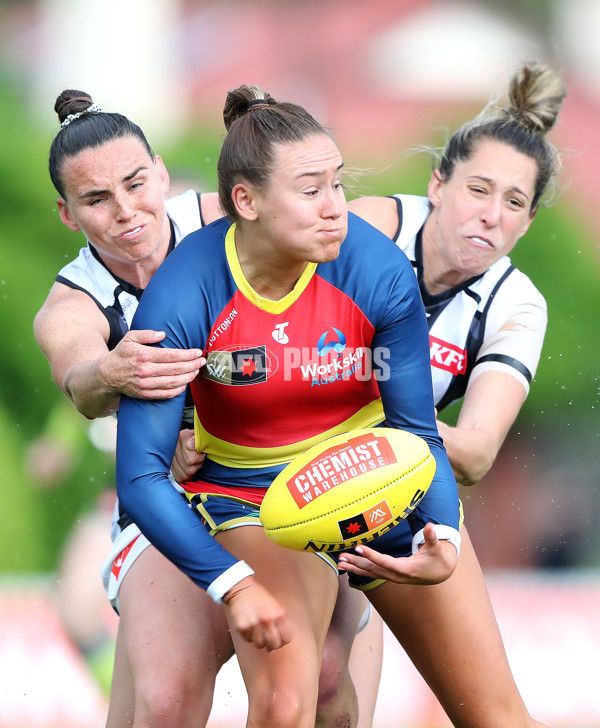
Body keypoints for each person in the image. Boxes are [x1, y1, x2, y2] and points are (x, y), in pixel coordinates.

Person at [34, 89, 383, 728]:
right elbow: (79, 379)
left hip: (293, 482)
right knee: (164, 702)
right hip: (171, 503)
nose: (126, 212)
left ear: (162, 174)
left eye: (137, 184)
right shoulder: (73, 301)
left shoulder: (234, 216)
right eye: (95, 200)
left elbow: (337, 227)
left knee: (327, 681)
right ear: (66, 213)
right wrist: (111, 373)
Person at [115, 84, 461, 728]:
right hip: (251, 500)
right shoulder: (185, 290)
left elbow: (418, 433)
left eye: (338, 183)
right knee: (289, 699)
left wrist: (447, 534)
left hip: (374, 484)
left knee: (490, 712)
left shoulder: (378, 268)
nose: (337, 209)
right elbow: (138, 478)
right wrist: (233, 583)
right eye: (311, 190)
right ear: (244, 201)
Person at [339, 59, 566, 727]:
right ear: (438, 185)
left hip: (386, 497)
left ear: (526, 224)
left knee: (498, 717)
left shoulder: (516, 303)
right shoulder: (367, 228)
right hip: (273, 474)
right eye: (479, 189)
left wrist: (386, 424)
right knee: (318, 703)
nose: (492, 216)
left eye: (515, 203)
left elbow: (475, 453)